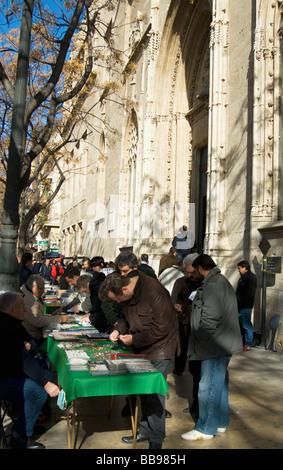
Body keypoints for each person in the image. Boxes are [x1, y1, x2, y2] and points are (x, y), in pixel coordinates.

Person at [99, 270, 180, 449]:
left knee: (154, 392)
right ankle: (144, 429)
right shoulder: (127, 293)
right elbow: (124, 317)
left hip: (161, 348)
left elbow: (162, 328)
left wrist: (134, 339)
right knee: (143, 391)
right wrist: (118, 329)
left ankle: (156, 438)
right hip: (142, 347)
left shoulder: (153, 290)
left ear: (125, 288)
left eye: (119, 299)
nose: (119, 302)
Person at [181, 254, 242, 441]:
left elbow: (209, 320)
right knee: (219, 385)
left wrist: (198, 340)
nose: (192, 275)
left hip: (214, 345)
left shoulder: (214, 285)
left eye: (193, 271)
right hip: (219, 344)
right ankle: (221, 422)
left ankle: (206, 428)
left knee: (208, 387)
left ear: (200, 268)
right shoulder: (217, 282)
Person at [0, 292, 60, 449]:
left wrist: (27, 347)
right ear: (12, 309)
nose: (25, 310)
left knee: (45, 374)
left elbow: (32, 345)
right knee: (37, 391)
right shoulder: (6, 327)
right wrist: (46, 384)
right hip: (4, 379)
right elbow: (24, 359)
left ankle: (25, 422)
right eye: (22, 307)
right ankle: (19, 439)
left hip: (13, 372)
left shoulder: (15, 323)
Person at [21, 275, 69, 344]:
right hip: (31, 337)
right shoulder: (29, 300)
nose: (43, 291)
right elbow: (37, 320)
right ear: (33, 287)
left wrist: (52, 317)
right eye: (41, 288)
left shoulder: (29, 294)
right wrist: (59, 319)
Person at [235, 260, 257, 351]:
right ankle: (241, 342)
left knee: (247, 324)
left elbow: (250, 293)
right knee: (241, 324)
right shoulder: (242, 277)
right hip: (240, 305)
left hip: (245, 306)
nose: (238, 270)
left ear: (244, 268)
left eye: (239, 268)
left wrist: (241, 300)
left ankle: (248, 344)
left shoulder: (251, 277)